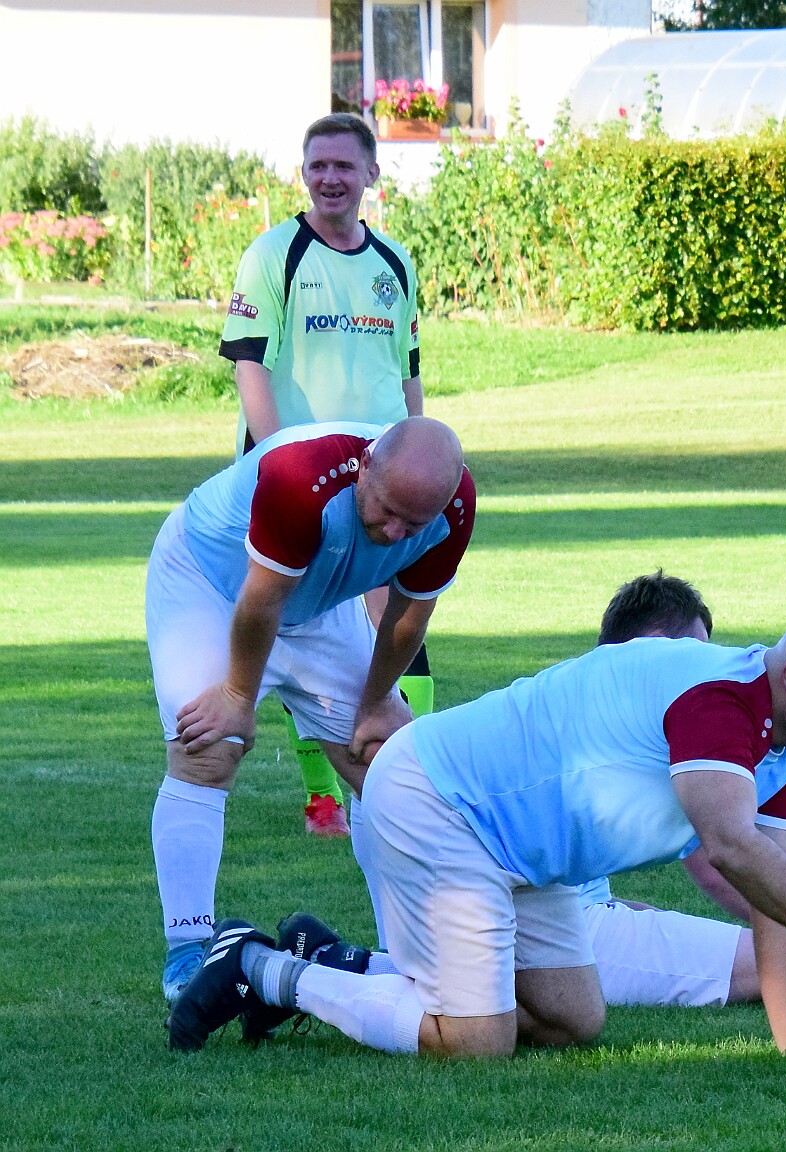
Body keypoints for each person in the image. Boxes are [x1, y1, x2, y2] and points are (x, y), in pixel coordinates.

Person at [169, 609, 786, 1056]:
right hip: (437, 805)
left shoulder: (784, 745)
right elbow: (733, 851)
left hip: (527, 855)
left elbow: (770, 897)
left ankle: (330, 964)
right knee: (477, 1043)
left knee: (574, 1023)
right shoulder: (720, 700)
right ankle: (263, 968)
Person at [149, 417, 475, 1005]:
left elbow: (409, 613)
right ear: (366, 464)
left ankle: (411, 957)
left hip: (316, 602)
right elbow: (260, 601)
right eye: (387, 510)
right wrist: (237, 698)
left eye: (413, 524)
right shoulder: (300, 475)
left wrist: (376, 703)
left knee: (383, 764)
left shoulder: (453, 508)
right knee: (208, 750)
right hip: (211, 585)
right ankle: (188, 951)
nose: (394, 532)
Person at [219, 112, 431, 836]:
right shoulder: (273, 254)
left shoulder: (395, 264)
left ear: (372, 173)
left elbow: (406, 372)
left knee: (400, 626)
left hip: (387, 486)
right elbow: (250, 364)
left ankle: (414, 783)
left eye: (344, 165)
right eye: (318, 166)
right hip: (306, 485)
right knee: (303, 635)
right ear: (304, 173)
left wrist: (423, 452)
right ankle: (322, 800)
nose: (330, 178)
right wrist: (277, 462)